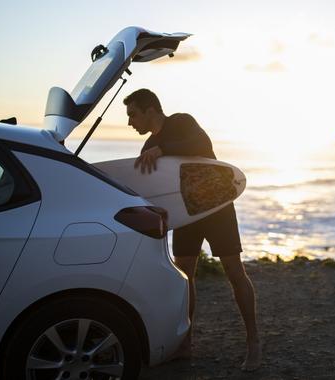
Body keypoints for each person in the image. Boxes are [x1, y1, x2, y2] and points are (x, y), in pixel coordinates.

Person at [123, 88, 261, 371]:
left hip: (215, 205)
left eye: (133, 114)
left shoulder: (181, 122)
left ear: (151, 110)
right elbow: (153, 189)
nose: (130, 122)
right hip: (185, 213)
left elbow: (200, 142)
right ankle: (185, 345)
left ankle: (254, 342)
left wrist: (163, 149)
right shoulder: (146, 148)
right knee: (185, 276)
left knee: (235, 272)